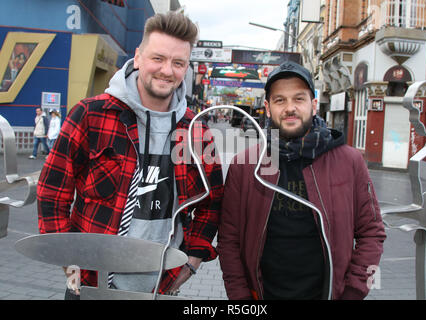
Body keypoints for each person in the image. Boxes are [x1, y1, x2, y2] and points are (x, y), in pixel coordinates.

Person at [37, 12, 223, 299]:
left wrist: (193, 262)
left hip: (161, 285)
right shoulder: (91, 115)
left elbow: (212, 203)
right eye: (157, 58)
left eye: (178, 63)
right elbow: (52, 193)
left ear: (186, 68)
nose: (167, 70)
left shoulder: (197, 131)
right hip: (90, 283)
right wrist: (68, 262)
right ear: (137, 57)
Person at [217, 61, 386, 300]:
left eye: (299, 99)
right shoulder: (244, 166)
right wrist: (240, 297)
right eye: (280, 100)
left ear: (313, 105)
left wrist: (353, 292)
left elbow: (372, 232)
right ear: (267, 107)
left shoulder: (349, 161)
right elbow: (229, 240)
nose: (290, 108)